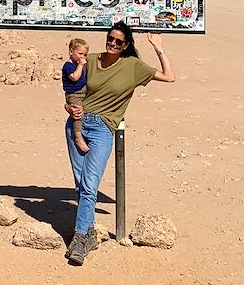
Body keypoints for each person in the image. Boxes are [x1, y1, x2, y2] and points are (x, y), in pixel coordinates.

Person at [63, 22, 175, 266]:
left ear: (126, 46)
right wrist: (68, 106)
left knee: (90, 184)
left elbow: (169, 77)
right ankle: (89, 232)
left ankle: (80, 239)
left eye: (118, 42)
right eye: (110, 39)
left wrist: (158, 48)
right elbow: (71, 86)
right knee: (81, 183)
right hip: (77, 124)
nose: (112, 44)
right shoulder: (89, 60)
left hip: (103, 128)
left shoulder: (132, 66)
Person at [62, 38, 90, 153]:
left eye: (85, 54)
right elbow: (74, 77)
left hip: (82, 91)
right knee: (78, 114)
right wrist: (80, 66)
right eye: (80, 54)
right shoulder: (68, 66)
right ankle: (78, 137)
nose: (82, 57)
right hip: (74, 94)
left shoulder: (78, 63)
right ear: (71, 52)